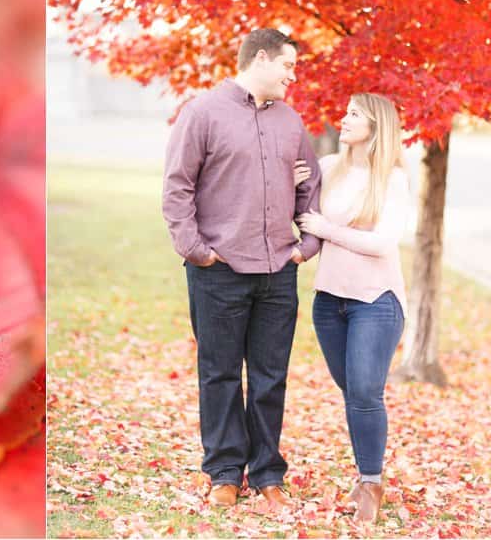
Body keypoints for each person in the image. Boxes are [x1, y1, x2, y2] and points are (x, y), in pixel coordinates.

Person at [162, 28, 323, 511]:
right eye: (288, 65)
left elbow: (310, 187)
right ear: (260, 59)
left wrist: (307, 246)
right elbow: (177, 187)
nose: (293, 76)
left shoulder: (292, 122)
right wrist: (197, 250)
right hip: (219, 271)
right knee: (220, 375)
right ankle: (225, 473)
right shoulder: (202, 112)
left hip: (278, 270)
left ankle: (269, 472)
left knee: (272, 376)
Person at [295, 93, 410, 524]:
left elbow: (382, 243)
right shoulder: (328, 169)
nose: (342, 120)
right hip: (329, 302)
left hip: (376, 301)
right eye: (343, 111)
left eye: (354, 114)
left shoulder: (392, 180)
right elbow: (299, 212)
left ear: (376, 127)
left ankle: (371, 483)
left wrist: (327, 229)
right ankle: (366, 476)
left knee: (364, 392)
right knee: (354, 395)